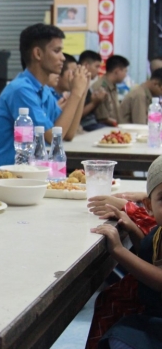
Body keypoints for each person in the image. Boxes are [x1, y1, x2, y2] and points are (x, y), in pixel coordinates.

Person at [0, 23, 89, 173]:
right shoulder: (21, 90)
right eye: (57, 51)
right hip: (3, 175)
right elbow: (52, 137)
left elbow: (68, 133)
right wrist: (76, 93)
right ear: (38, 54)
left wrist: (82, 92)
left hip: (28, 173)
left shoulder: (44, 90)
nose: (63, 58)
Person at [90, 155, 162, 349]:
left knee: (122, 338)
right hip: (154, 316)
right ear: (149, 206)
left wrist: (118, 250)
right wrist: (132, 229)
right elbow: (148, 255)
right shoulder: (159, 232)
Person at [92, 55, 130, 126]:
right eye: (125, 71)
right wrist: (119, 126)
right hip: (105, 129)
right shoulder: (101, 87)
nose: (125, 75)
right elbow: (102, 118)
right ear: (117, 71)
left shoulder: (113, 85)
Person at [79, 50, 108, 131]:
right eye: (97, 66)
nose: (98, 71)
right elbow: (76, 114)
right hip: (85, 125)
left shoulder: (87, 84)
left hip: (93, 123)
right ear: (86, 65)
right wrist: (94, 103)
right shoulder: (77, 84)